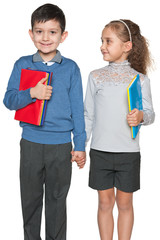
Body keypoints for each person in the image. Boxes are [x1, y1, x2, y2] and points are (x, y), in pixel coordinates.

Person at [3, 3, 86, 240]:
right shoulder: (22, 64)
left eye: (52, 32)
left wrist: (79, 145)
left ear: (63, 36)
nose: (45, 38)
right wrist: (31, 93)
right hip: (30, 143)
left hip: (60, 147)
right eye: (39, 31)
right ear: (31, 34)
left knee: (57, 202)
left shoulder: (70, 68)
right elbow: (9, 100)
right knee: (29, 200)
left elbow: (78, 110)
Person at [84, 19, 155, 240]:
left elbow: (150, 114)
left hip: (128, 153)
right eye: (102, 41)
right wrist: (79, 146)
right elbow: (89, 115)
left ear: (127, 46)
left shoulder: (140, 79)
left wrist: (141, 116)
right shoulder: (95, 76)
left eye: (108, 41)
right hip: (100, 151)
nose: (102, 46)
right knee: (105, 203)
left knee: (125, 204)